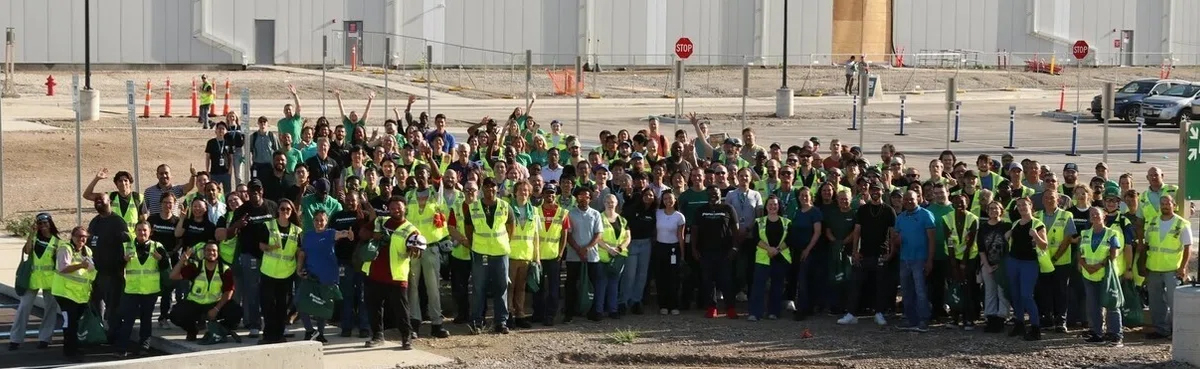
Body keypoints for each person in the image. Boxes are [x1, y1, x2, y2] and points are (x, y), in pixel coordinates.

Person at [362, 196, 425, 350]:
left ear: (405, 208)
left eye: (399, 207)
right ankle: (377, 336)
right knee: (374, 308)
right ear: (388, 209)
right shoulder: (380, 221)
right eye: (392, 208)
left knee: (401, 309)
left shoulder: (411, 230)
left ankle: (406, 337)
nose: (396, 210)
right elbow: (362, 233)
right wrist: (374, 235)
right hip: (374, 272)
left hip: (396, 276)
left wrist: (415, 249)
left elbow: (416, 250)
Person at [225, 180, 279, 338]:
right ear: (247, 192)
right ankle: (255, 325)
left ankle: (274, 324)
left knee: (272, 292)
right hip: (250, 255)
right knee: (252, 291)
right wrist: (237, 225)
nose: (255, 192)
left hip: (271, 254)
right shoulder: (241, 210)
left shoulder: (272, 206)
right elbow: (229, 234)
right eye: (252, 190)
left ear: (262, 191)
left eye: (258, 189)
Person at [404, 165, 452, 338]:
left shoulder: (435, 192)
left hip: (431, 247)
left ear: (428, 175)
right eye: (417, 174)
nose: (420, 177)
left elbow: (438, 177)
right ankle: (414, 322)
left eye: (422, 173)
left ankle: (437, 323)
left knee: (433, 287)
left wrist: (430, 158)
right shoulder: (409, 196)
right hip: (413, 248)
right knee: (413, 287)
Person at [465, 178, 515, 333]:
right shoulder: (473, 208)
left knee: (501, 287)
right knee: (479, 288)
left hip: (500, 253)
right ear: (482, 189)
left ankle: (501, 322)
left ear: (497, 188)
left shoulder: (505, 206)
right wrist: (474, 245)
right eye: (486, 186)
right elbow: (468, 230)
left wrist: (504, 242)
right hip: (481, 253)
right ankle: (477, 321)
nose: (490, 189)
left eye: (492, 186)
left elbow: (511, 227)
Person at [844, 181, 895, 326]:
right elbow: (857, 231)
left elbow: (893, 234)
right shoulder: (863, 209)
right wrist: (855, 251)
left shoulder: (889, 210)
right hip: (864, 253)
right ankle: (851, 313)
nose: (875, 192)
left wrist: (891, 253)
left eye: (878, 190)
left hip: (881, 253)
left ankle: (879, 313)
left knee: (880, 285)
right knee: (856, 284)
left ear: (882, 192)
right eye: (873, 190)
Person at [169, 243, 242, 343]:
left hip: (215, 304)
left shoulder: (224, 269)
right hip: (195, 303)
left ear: (218, 253)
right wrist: (182, 261)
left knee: (236, 312)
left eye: (214, 250)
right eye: (208, 250)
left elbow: (229, 291)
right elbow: (173, 276)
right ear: (203, 252)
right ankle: (192, 330)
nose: (211, 253)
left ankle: (220, 329)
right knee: (175, 315)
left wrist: (216, 309)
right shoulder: (196, 266)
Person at [297, 210, 352, 343]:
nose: (319, 223)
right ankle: (310, 330)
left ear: (326, 222)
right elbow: (302, 254)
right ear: (313, 221)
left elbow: (341, 233)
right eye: (316, 220)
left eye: (322, 220)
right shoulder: (308, 235)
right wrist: (299, 269)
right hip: (311, 276)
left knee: (323, 307)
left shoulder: (330, 233)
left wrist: (348, 234)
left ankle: (320, 334)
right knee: (300, 302)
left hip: (327, 276)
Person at [9, 213, 61, 351]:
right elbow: (27, 251)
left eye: (45, 223)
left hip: (50, 280)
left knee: (50, 309)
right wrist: (31, 234)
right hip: (32, 279)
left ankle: (45, 338)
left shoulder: (57, 242)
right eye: (40, 224)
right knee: (24, 308)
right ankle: (15, 339)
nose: (43, 226)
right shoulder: (34, 238)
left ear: (50, 223)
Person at [1142, 195, 1192, 340]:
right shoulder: (1153, 222)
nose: (1165, 206)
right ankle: (1161, 330)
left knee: (1174, 301)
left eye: (1167, 203)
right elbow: (1146, 245)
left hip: (1172, 269)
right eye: (1162, 203)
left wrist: (1183, 267)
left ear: (1174, 205)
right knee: (1156, 302)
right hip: (1154, 268)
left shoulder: (1182, 224)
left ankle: (1178, 331)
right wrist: (1143, 265)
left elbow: (1188, 248)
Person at [115, 222, 168, 357]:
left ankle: (144, 346)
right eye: (139, 230)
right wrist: (123, 260)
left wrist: (161, 259)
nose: (142, 233)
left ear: (150, 232)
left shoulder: (158, 246)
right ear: (135, 231)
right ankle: (122, 347)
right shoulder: (127, 246)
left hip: (150, 290)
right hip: (132, 290)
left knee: (146, 319)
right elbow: (117, 267)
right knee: (128, 320)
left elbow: (166, 266)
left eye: (144, 230)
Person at [86, 194, 132, 343]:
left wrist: (122, 265)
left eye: (102, 199)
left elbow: (127, 244)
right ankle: (98, 333)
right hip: (95, 272)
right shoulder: (95, 222)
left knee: (113, 308)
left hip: (113, 273)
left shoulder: (118, 222)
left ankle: (114, 337)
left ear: (109, 202)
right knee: (95, 305)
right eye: (96, 200)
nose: (98, 202)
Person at [1078, 207, 1124, 346]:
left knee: (1111, 304)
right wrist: (1085, 265)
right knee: (1093, 305)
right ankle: (1096, 332)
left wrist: (1099, 265)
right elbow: (1079, 252)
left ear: (1104, 216)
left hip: (1106, 274)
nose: (1094, 216)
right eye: (1092, 214)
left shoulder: (1112, 233)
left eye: (1097, 214)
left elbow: (1114, 253)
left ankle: (1115, 334)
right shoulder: (1085, 233)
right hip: (1088, 274)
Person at [258, 199, 301, 344]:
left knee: (282, 306)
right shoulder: (268, 225)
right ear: (278, 210)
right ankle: (268, 335)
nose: (285, 211)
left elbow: (299, 252)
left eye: (288, 209)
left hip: (286, 273)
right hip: (269, 272)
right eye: (282, 208)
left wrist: (300, 268)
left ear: (292, 211)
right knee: (267, 305)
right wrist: (270, 248)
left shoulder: (296, 230)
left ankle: (279, 334)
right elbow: (261, 245)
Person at [1007, 197, 1049, 341]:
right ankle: (1019, 323)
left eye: (1024, 205)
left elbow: (1044, 245)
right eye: (1018, 205)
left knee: (1026, 295)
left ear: (1030, 206)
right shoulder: (1016, 223)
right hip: (1014, 261)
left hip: (1029, 263)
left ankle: (1035, 327)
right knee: (1015, 294)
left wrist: (1036, 236)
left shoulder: (1038, 224)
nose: (1021, 208)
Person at [52, 226, 96, 361]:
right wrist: (80, 265)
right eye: (78, 236)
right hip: (65, 293)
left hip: (79, 294)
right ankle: (69, 351)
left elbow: (91, 270)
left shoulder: (87, 251)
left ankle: (74, 347)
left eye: (84, 237)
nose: (81, 239)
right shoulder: (65, 249)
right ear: (72, 236)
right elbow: (63, 268)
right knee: (69, 322)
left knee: (75, 322)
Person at [894, 190, 935, 332]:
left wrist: (929, 260)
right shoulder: (900, 217)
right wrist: (896, 240)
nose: (908, 202)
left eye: (911, 199)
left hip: (920, 258)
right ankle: (910, 319)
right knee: (906, 291)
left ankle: (923, 319)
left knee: (920, 291)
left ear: (918, 198)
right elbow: (896, 237)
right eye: (906, 199)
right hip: (904, 259)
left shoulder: (926, 214)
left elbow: (932, 240)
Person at [1036, 189, 1077, 333]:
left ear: (1058, 200)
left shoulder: (1066, 215)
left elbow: (1067, 239)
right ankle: (1047, 318)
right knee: (1044, 291)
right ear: (1042, 200)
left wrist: (1055, 257)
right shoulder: (1037, 215)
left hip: (1061, 261)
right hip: (1043, 261)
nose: (1049, 200)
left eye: (1052, 198)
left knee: (1061, 292)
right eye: (1046, 198)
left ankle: (1061, 320)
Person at [565, 186, 605, 322]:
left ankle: (594, 311)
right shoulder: (570, 214)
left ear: (590, 199)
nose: (583, 199)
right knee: (571, 285)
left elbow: (598, 234)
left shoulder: (596, 214)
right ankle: (570, 313)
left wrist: (587, 248)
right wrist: (578, 249)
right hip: (573, 256)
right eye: (581, 196)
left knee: (593, 285)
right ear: (577, 198)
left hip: (592, 256)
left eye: (586, 196)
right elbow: (568, 235)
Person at [532, 183, 569, 325]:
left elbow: (564, 235)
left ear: (556, 195)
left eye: (552, 193)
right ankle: (538, 314)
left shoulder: (562, 213)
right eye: (547, 193)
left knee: (553, 289)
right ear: (542, 195)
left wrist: (560, 253)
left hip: (554, 257)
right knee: (537, 288)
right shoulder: (535, 211)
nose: (550, 196)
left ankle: (550, 315)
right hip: (538, 256)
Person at [506, 181, 541, 328]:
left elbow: (536, 235)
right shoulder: (508, 208)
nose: (523, 192)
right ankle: (508, 314)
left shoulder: (534, 211)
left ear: (530, 193)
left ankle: (520, 315)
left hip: (526, 255)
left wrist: (537, 257)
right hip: (511, 254)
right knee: (510, 287)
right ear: (515, 192)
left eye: (526, 190)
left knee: (521, 287)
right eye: (520, 190)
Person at [749, 196, 790, 321]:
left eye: (775, 204)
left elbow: (790, 239)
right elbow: (756, 238)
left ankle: (774, 312)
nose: (773, 207)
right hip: (763, 258)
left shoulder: (787, 222)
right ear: (766, 207)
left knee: (777, 286)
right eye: (770, 204)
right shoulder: (759, 221)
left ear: (779, 206)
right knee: (758, 286)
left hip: (780, 257)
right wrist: (769, 249)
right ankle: (755, 313)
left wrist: (777, 250)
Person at [943, 193, 980, 330]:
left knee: (968, 287)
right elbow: (949, 240)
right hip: (952, 256)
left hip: (969, 257)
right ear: (952, 204)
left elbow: (970, 242)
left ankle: (968, 318)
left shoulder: (973, 219)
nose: (959, 204)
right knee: (954, 286)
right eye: (956, 202)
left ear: (967, 203)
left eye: (962, 202)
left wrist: (964, 263)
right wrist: (953, 263)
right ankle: (954, 317)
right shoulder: (947, 218)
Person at [620, 186, 656, 315]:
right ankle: (623, 301)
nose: (648, 197)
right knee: (629, 275)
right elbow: (623, 221)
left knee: (642, 275)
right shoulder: (633, 209)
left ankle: (636, 300)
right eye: (646, 195)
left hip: (646, 244)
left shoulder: (654, 212)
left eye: (651, 195)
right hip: (632, 244)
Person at [790, 187, 825, 320]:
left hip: (809, 251)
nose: (804, 197)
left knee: (804, 280)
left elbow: (817, 232)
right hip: (797, 250)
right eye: (802, 195)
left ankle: (802, 310)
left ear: (811, 197)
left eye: (806, 195)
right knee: (799, 279)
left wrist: (807, 249)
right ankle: (806, 307)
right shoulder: (797, 212)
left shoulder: (815, 212)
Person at [977, 201, 1012, 333]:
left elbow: (1009, 247)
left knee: (1002, 292)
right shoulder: (983, 227)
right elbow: (981, 249)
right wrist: (987, 266)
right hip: (987, 263)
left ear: (1001, 210)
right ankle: (990, 316)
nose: (993, 211)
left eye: (996, 208)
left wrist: (1001, 265)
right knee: (989, 291)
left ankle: (1001, 317)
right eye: (991, 209)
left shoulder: (1007, 226)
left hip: (1003, 264)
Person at [597, 194, 630, 319]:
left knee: (614, 284)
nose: (610, 204)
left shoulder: (622, 220)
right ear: (604, 203)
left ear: (616, 203)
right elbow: (597, 237)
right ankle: (599, 310)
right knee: (601, 284)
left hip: (618, 257)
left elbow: (628, 237)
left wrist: (620, 248)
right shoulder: (599, 218)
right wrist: (608, 249)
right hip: (603, 256)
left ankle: (613, 309)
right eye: (607, 202)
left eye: (612, 202)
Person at [654, 191, 687, 315]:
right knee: (661, 277)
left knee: (674, 278)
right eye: (665, 198)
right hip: (660, 247)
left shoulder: (679, 216)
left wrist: (682, 254)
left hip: (674, 248)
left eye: (670, 198)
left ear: (675, 200)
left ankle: (674, 305)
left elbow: (681, 236)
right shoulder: (658, 213)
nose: (668, 201)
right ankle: (663, 305)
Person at [205, 122, 235, 194]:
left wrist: (230, 169)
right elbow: (207, 157)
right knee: (214, 191)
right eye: (219, 128)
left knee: (227, 192)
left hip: (226, 172)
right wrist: (207, 170)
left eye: (223, 129)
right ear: (216, 130)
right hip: (214, 172)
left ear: (226, 131)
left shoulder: (228, 142)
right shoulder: (211, 142)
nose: (221, 130)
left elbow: (231, 157)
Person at [277, 84, 303, 149]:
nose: (288, 111)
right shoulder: (280, 123)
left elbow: (299, 106)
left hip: (297, 147)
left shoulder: (296, 119)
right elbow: (280, 137)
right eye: (286, 109)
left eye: (289, 109)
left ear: (292, 111)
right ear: (283, 111)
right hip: (286, 148)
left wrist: (295, 95)